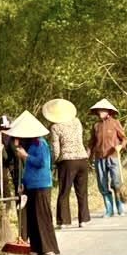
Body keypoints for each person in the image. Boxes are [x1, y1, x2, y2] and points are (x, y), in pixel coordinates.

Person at [10, 111, 60, 255]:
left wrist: (26, 156)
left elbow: (42, 163)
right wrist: (22, 183)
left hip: (41, 184)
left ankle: (48, 248)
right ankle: (36, 248)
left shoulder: (40, 143)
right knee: (31, 217)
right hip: (30, 185)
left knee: (42, 216)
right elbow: (26, 168)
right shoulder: (28, 144)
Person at [41, 98, 90, 229]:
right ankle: (83, 220)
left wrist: (55, 160)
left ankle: (63, 221)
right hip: (82, 158)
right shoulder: (77, 122)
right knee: (82, 191)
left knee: (64, 191)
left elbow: (56, 148)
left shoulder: (55, 127)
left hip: (67, 161)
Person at [88, 99, 127, 217]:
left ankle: (120, 207)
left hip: (113, 156)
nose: (100, 112)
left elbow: (124, 138)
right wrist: (88, 154)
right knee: (102, 183)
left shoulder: (115, 123)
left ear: (108, 111)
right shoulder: (96, 126)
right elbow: (92, 142)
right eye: (99, 110)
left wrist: (120, 146)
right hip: (99, 157)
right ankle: (109, 210)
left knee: (116, 182)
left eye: (103, 110)